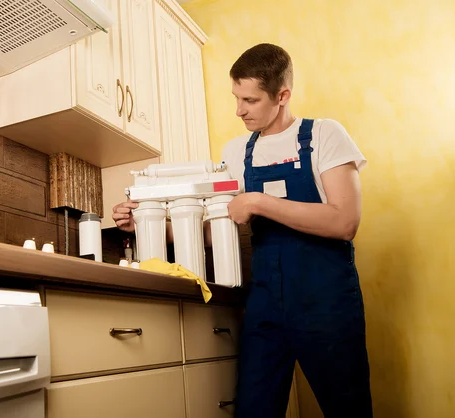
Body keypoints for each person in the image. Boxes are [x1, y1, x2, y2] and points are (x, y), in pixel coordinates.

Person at [112, 43, 373, 418]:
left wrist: (258, 202)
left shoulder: (324, 136)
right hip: (266, 300)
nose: (239, 110)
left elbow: (345, 222)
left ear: (282, 96)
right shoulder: (237, 153)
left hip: (326, 300)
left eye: (250, 100)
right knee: (254, 408)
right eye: (236, 98)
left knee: (347, 408)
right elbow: (217, 230)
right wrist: (147, 225)